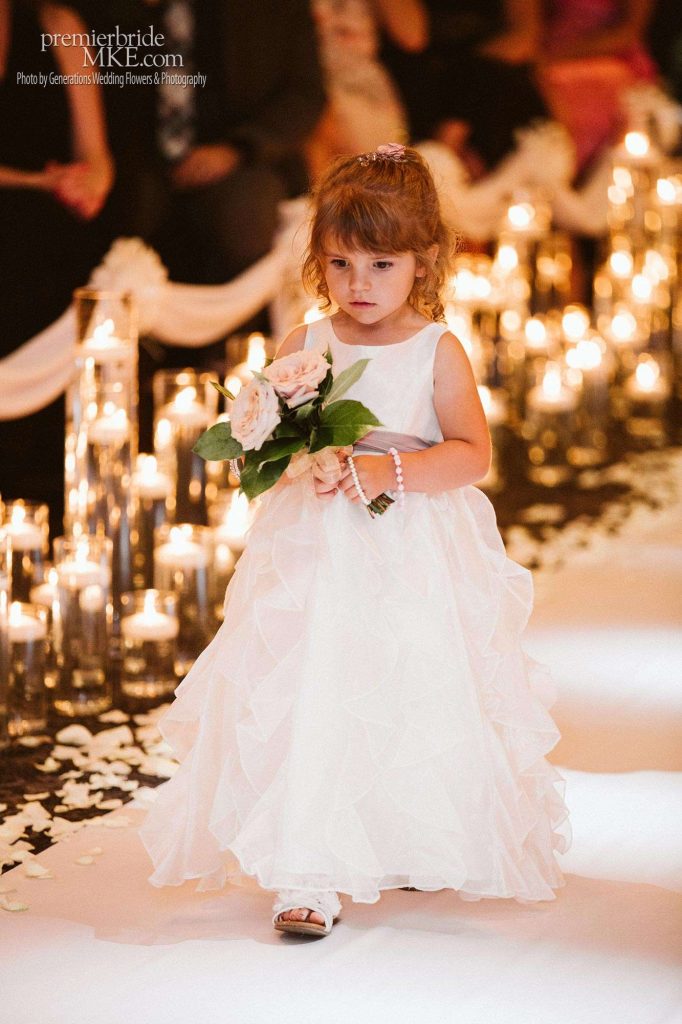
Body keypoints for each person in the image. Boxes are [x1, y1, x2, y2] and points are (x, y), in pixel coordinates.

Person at [140, 144, 570, 937]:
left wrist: (388, 473)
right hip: (316, 553)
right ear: (318, 261)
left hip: (409, 550)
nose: (358, 283)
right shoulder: (305, 344)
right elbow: (262, 439)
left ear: (423, 261)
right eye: (340, 263)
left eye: (380, 264)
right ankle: (307, 869)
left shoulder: (436, 349)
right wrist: (292, 457)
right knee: (315, 687)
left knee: (403, 687)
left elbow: (472, 455)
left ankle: (398, 834)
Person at [0, 0, 114, 534]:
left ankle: (53, 500)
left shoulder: (57, 25)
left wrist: (89, 183)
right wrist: (39, 182)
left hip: (46, 224)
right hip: (25, 205)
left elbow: (98, 155)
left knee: (56, 254)